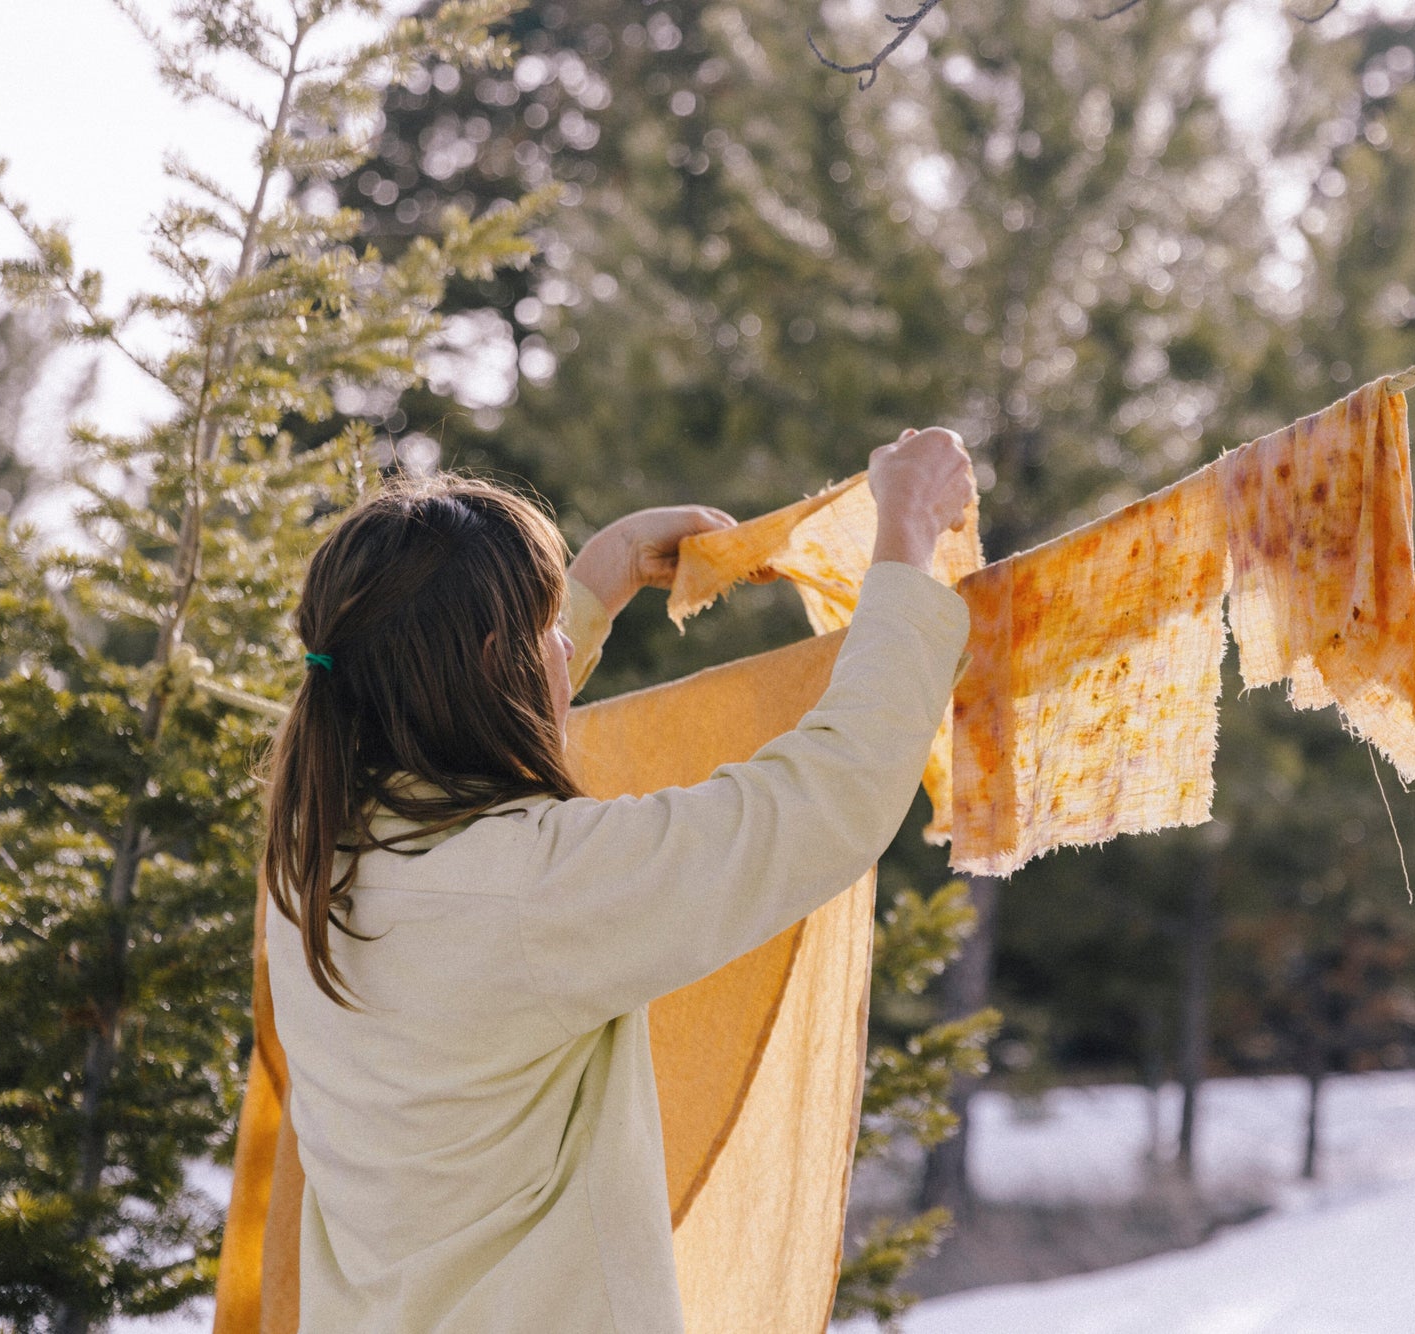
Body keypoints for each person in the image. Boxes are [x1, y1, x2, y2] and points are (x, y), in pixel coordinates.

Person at [257, 428, 974, 1332]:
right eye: (544, 633)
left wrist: (597, 582)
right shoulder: (533, 890)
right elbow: (822, 803)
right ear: (494, 667)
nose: (562, 648)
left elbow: (451, 717)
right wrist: (904, 541)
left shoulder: (313, 853)